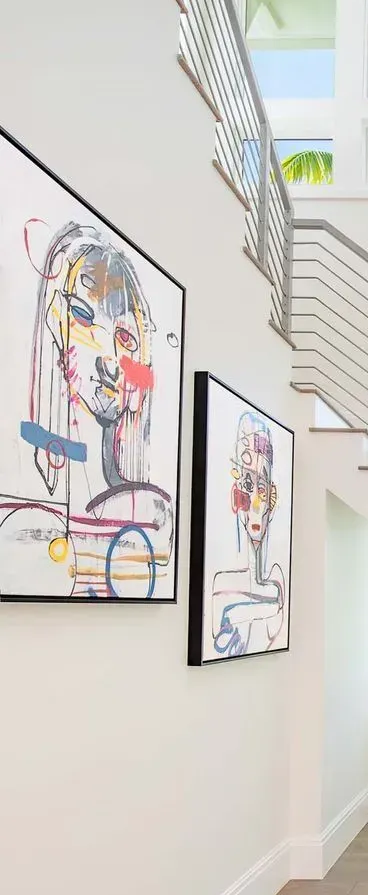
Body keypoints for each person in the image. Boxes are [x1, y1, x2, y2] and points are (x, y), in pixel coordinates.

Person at [1, 220, 174, 598]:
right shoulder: (20, 516)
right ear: (56, 319)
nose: (109, 360)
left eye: (125, 338)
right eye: (83, 316)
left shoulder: (153, 517)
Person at [210, 409, 287, 655]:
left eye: (262, 490)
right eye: (247, 486)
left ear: (272, 499)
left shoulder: (275, 582)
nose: (254, 503)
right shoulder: (221, 584)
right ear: (236, 496)